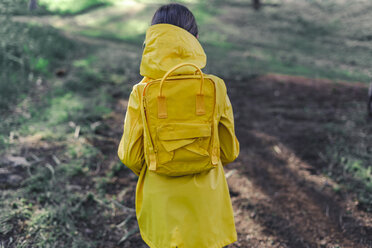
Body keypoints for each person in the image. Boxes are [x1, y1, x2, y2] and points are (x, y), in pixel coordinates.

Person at [118, 3, 239, 248]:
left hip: (162, 204)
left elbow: (131, 157)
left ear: (151, 40)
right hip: (207, 204)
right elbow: (228, 151)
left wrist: (160, 163)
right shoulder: (215, 87)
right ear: (195, 39)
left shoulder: (141, 93)